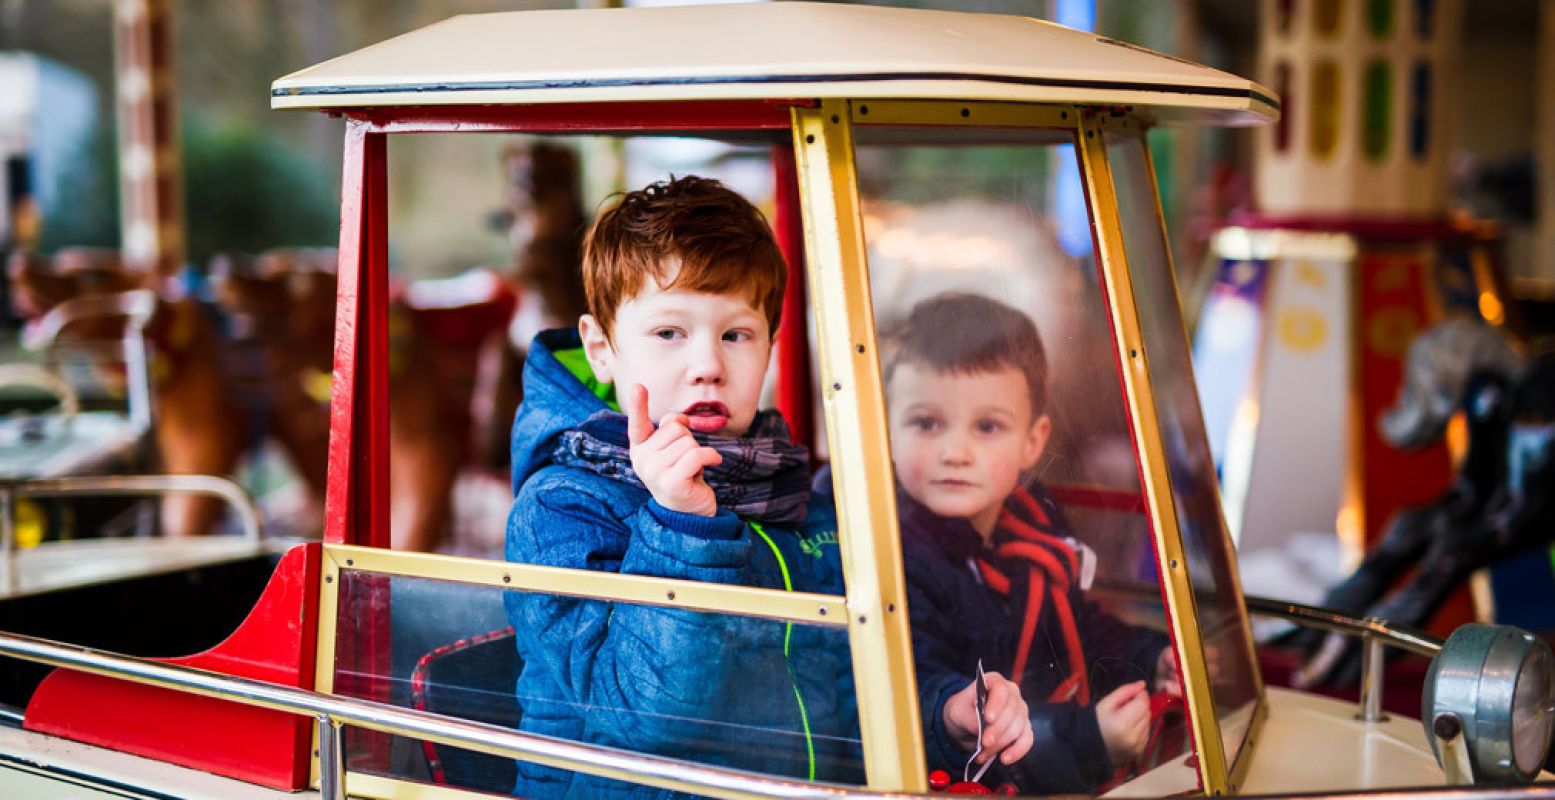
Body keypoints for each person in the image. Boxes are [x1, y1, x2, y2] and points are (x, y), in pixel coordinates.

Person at [503, 178, 1029, 799]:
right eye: (669, 333)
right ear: (601, 349)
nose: (708, 364)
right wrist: (682, 525)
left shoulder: (793, 492)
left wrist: (947, 716)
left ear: (771, 347)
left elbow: (844, 685)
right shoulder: (563, 508)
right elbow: (646, 718)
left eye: (736, 335)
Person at [883, 292, 1178, 794]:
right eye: (927, 423)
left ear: (1033, 441)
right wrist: (1088, 741)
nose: (955, 452)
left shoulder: (1031, 521)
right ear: (886, 429)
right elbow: (933, 712)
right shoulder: (896, 554)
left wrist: (1152, 657)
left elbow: (1075, 628)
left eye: (988, 426)